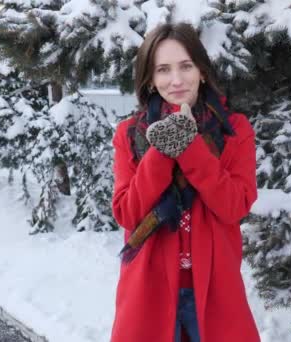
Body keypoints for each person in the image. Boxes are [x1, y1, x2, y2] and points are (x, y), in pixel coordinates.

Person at [109, 22, 260, 342]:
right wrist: (163, 149)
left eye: (185, 66)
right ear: (150, 79)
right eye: (163, 69)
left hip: (216, 294)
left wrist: (189, 146)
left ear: (202, 71)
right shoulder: (130, 134)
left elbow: (235, 206)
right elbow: (127, 212)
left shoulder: (234, 130)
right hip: (148, 293)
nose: (175, 80)